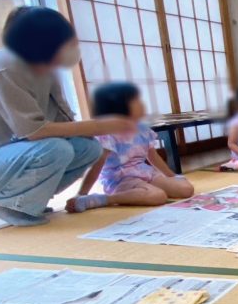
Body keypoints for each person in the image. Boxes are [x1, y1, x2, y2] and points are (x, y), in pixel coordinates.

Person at [0, 7, 134, 226]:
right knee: (55, 149)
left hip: (2, 150)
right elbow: (34, 132)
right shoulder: (4, 68)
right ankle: (9, 204)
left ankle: (27, 201)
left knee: (89, 148)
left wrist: (100, 131)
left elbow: (63, 122)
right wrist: (98, 126)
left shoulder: (44, 70)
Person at [65, 82, 194, 213]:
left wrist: (171, 176)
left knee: (186, 189)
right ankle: (104, 199)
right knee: (157, 196)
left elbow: (152, 156)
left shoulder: (142, 128)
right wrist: (82, 193)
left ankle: (143, 189)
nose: (141, 104)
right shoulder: (109, 132)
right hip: (121, 178)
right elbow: (97, 165)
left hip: (144, 172)